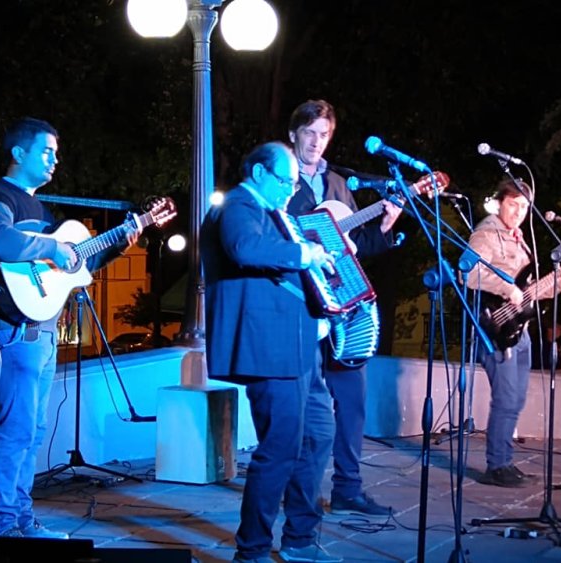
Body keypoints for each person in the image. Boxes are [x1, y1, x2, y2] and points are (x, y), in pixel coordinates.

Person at [0, 117, 140, 538]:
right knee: (16, 430)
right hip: (13, 329)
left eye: (55, 152)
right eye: (46, 151)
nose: (55, 159)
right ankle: (4, 525)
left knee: (35, 430)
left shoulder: (39, 208)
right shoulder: (2, 199)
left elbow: (74, 268)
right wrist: (52, 246)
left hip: (42, 329)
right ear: (19, 153)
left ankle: (22, 518)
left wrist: (120, 241)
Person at [201, 141, 341, 563]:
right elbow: (245, 249)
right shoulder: (239, 205)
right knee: (279, 448)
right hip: (269, 349)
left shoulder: (272, 211)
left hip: (298, 345)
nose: (290, 191)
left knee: (318, 434)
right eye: (285, 181)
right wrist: (307, 253)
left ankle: (299, 539)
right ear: (259, 173)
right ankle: (253, 550)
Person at [285, 99, 401, 516]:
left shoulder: (339, 184)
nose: (317, 142)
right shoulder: (281, 180)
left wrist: (385, 228)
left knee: (352, 399)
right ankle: (298, 490)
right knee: (303, 406)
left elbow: (352, 248)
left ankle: (349, 488)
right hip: (299, 304)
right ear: (294, 134)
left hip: (342, 302)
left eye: (324, 134)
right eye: (310, 133)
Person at [465, 179, 561, 488]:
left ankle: (505, 460)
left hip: (520, 328)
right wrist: (506, 288)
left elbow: (529, 292)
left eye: (524, 207)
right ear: (500, 202)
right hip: (495, 328)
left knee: (517, 398)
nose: (518, 211)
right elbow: (470, 273)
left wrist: (560, 281)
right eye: (513, 204)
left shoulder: (520, 239)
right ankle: (496, 465)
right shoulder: (487, 234)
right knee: (506, 397)